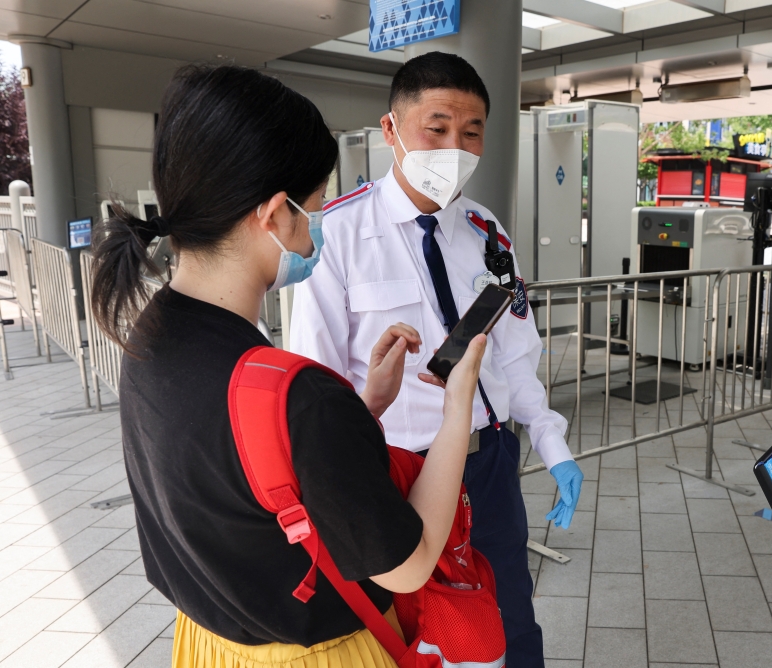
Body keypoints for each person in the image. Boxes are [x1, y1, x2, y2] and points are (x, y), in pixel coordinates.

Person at [89, 64, 488, 668]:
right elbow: (409, 566)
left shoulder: (150, 337)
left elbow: (253, 478)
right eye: (315, 207)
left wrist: (363, 409)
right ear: (274, 214)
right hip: (317, 654)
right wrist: (458, 406)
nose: (318, 228)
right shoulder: (300, 396)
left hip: (206, 644)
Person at [290, 51, 583, 667]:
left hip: (489, 465)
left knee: (508, 621)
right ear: (391, 129)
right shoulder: (335, 235)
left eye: (471, 131)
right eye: (438, 126)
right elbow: (316, 384)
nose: (456, 145)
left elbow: (515, 355)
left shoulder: (486, 231)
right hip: (400, 475)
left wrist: (551, 443)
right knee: (416, 634)